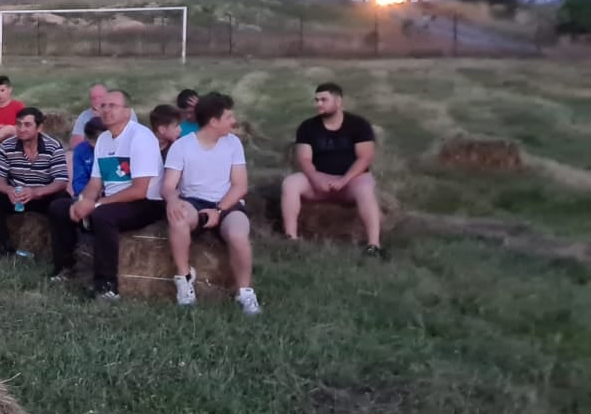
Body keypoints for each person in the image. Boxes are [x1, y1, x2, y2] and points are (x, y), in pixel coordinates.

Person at [51, 89, 165, 299]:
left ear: (127, 111)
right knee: (60, 208)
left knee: (102, 215)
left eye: (113, 106)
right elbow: (95, 182)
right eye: (103, 105)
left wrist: (96, 205)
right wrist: (83, 201)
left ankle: (107, 286)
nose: (106, 110)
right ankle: (65, 269)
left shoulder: (140, 137)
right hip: (114, 200)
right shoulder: (103, 140)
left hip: (146, 202)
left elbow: (140, 190)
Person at [162, 92, 261, 315]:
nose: (234, 121)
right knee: (178, 219)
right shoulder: (182, 146)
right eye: (229, 117)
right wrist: (172, 200)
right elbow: (168, 185)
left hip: (227, 202)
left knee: (238, 234)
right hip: (193, 201)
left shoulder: (233, 143)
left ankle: (245, 292)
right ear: (214, 121)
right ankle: (184, 279)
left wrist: (218, 210)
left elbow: (240, 186)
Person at [281, 82, 384, 257]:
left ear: (338, 101)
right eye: (316, 100)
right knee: (290, 183)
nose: (318, 104)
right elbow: (304, 159)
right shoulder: (307, 127)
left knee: (366, 188)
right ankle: (291, 238)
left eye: (324, 100)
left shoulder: (359, 125)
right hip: (319, 181)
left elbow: (365, 158)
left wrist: (344, 180)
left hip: (351, 180)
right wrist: (316, 178)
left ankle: (373, 245)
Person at [0, 108, 70, 257]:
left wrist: (36, 192)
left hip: (43, 195)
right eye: (18, 124)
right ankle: (3, 246)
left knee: (62, 199)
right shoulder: (7, 146)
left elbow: (61, 181)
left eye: (27, 125)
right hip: (16, 196)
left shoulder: (53, 146)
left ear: (39, 128)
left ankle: (62, 252)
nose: (21, 129)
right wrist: (8, 190)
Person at [69, 116, 105, 196]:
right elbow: (79, 182)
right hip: (88, 194)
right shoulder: (81, 150)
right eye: (91, 142)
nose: (95, 147)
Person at [0, 75, 25, 142]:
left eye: (2, 90)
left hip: (15, 139)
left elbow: (22, 126)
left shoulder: (18, 105)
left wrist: (2, 127)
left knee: (9, 129)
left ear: (10, 90)